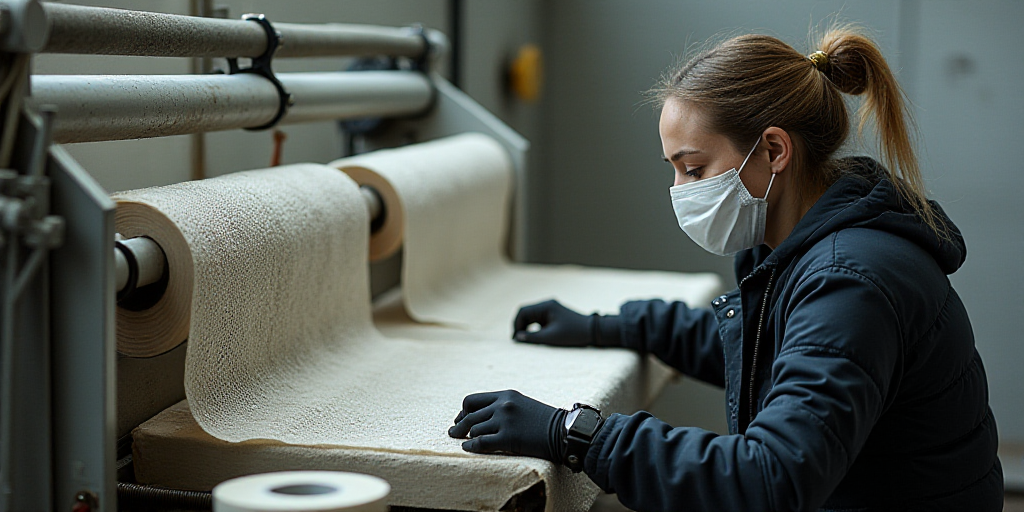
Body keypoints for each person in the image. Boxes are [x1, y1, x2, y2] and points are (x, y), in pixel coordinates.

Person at [447, 25, 1004, 512]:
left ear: (774, 151)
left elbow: (769, 479)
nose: (680, 192)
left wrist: (574, 432)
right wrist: (605, 327)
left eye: (694, 168)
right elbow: (765, 343)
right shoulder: (801, 241)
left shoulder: (850, 280)